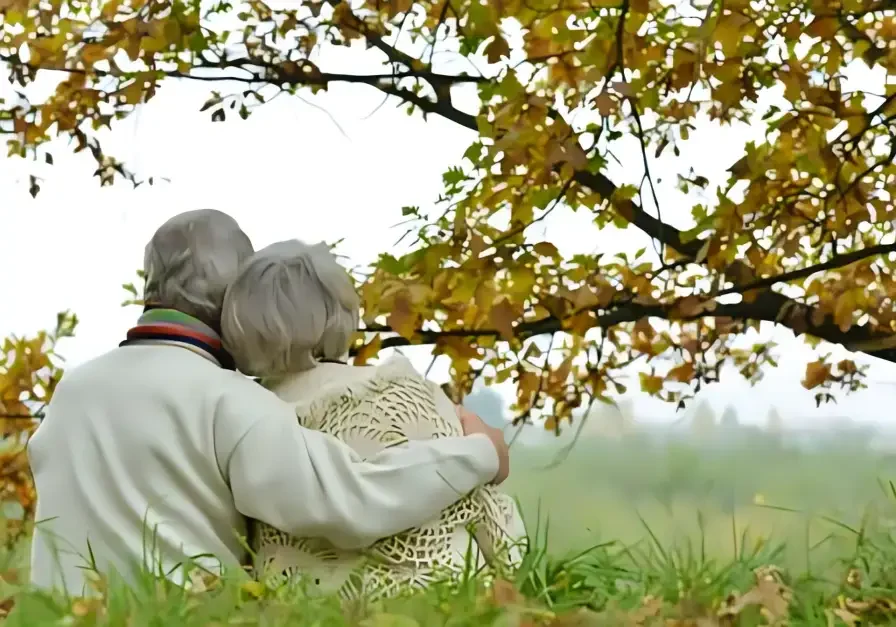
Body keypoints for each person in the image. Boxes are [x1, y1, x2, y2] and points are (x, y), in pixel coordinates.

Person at [27, 210, 509, 595]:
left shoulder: (74, 389)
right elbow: (349, 501)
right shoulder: (226, 399)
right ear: (233, 297)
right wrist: (479, 451)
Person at [220, 240, 527, 600]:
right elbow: (491, 519)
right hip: (449, 604)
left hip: (307, 613)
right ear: (341, 312)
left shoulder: (239, 417)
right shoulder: (408, 395)